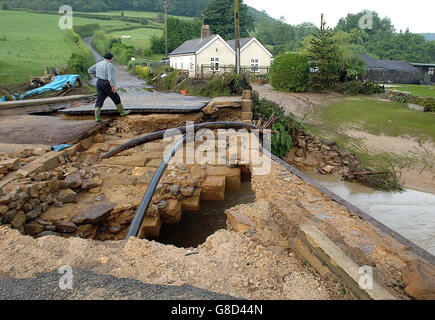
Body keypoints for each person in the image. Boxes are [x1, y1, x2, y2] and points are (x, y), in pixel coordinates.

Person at [88, 53, 130, 123]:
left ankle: (97, 118)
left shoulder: (99, 63)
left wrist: (95, 76)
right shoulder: (109, 65)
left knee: (100, 98)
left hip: (99, 82)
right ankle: (122, 112)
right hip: (106, 83)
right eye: (112, 58)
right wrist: (113, 86)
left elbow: (89, 70)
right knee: (115, 97)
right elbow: (111, 77)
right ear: (111, 59)